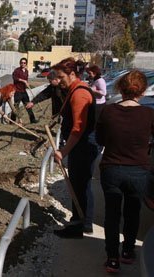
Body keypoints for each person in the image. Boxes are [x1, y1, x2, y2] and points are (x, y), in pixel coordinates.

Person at [96, 70, 154, 273]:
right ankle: (128, 251)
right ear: (143, 91)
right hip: (139, 170)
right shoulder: (149, 114)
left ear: (120, 88)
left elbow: (100, 140)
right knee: (133, 212)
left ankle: (112, 258)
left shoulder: (108, 111)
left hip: (112, 168)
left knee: (112, 215)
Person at [52, 57, 98, 239]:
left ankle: (79, 225)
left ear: (72, 74)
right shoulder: (73, 90)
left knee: (79, 185)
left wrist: (63, 151)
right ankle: (83, 223)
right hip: (81, 145)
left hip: (83, 145)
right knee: (80, 184)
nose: (59, 80)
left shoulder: (80, 93)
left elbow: (78, 128)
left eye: (61, 76)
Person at [12, 57, 38, 124]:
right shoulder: (17, 70)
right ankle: (12, 120)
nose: (23, 64)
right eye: (21, 63)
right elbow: (15, 78)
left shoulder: (26, 71)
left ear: (26, 64)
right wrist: (23, 80)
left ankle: (32, 119)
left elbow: (26, 80)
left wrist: (27, 84)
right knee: (16, 106)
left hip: (24, 91)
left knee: (28, 105)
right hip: (17, 91)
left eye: (24, 63)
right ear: (20, 63)